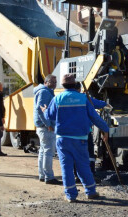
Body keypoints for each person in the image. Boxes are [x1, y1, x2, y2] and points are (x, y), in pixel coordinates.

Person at [43, 74, 109, 203]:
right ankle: (90, 191)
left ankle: (71, 195)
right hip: (80, 139)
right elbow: (95, 117)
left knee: (66, 167)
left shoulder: (57, 99)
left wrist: (45, 110)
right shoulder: (83, 98)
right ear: (75, 85)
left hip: (63, 139)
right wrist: (105, 129)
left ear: (63, 85)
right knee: (83, 166)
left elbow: (49, 116)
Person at [73, 82, 108, 179]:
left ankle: (76, 175)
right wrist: (106, 104)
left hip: (70, 133)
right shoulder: (84, 98)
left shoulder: (63, 98)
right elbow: (95, 111)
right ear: (80, 89)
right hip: (84, 132)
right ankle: (91, 173)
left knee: (75, 155)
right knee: (89, 154)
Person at [33, 74, 61, 185]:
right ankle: (49, 177)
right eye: (52, 82)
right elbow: (40, 109)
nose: (54, 84)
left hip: (42, 126)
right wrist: (48, 123)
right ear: (46, 82)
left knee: (43, 151)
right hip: (45, 127)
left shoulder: (44, 91)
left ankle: (42, 175)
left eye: (55, 82)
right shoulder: (45, 92)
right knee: (48, 152)